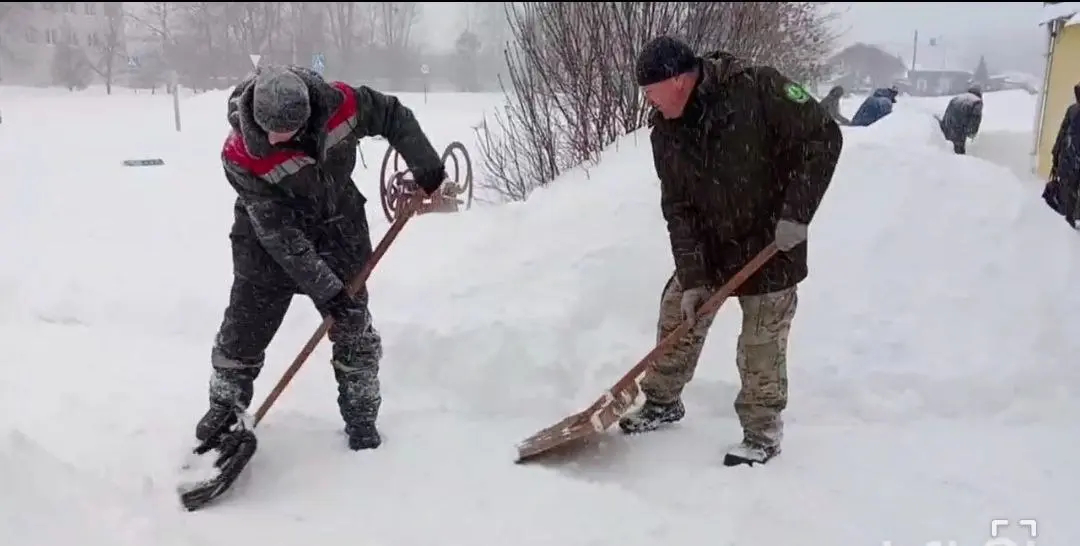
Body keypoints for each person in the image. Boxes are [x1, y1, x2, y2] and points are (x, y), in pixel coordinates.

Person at [196, 65, 446, 451]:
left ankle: (362, 417)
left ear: (309, 114)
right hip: (266, 247)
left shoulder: (342, 105)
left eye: (289, 132)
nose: (278, 140)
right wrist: (327, 290)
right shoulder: (240, 154)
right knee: (243, 332)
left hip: (339, 229)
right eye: (271, 133)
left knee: (353, 328)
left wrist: (424, 163)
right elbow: (278, 232)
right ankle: (225, 413)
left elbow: (393, 115)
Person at [620, 36, 842, 467]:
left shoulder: (758, 88)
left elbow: (823, 135)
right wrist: (693, 275)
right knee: (678, 316)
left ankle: (761, 433)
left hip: (771, 243)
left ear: (680, 80)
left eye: (650, 89)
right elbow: (678, 208)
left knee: (762, 341)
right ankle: (663, 402)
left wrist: (797, 214)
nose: (646, 98)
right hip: (712, 247)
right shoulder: (664, 131)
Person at [1044, 82, 1080, 227]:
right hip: (1070, 159)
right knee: (1070, 191)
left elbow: (1061, 136)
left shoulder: (1072, 110)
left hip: (1069, 161)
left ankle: (1068, 220)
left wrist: (1055, 158)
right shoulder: (1073, 111)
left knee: (1069, 190)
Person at [938, 86, 983, 155]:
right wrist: (972, 132)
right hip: (960, 129)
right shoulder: (977, 101)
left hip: (948, 127)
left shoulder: (956, 98)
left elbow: (947, 112)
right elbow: (975, 118)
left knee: (948, 150)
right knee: (959, 151)